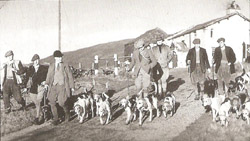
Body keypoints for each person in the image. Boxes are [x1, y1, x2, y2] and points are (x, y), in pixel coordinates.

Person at [127, 39, 158, 114]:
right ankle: (140, 105)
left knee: (145, 88)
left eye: (141, 47)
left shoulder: (148, 51)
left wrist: (149, 66)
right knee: (138, 88)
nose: (140, 49)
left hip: (146, 72)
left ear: (144, 46)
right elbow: (133, 62)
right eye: (139, 48)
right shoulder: (135, 52)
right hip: (137, 72)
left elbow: (155, 62)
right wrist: (129, 67)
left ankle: (146, 104)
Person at [44, 50, 74, 125]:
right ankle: (56, 118)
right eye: (58, 57)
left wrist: (72, 86)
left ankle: (67, 113)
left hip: (62, 86)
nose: (60, 59)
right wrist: (46, 84)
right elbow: (48, 76)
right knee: (52, 102)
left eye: (61, 57)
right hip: (53, 86)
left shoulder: (65, 65)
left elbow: (70, 76)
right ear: (55, 58)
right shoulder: (51, 66)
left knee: (62, 102)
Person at [25, 54, 48, 125]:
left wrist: (46, 82)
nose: (36, 62)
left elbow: (47, 77)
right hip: (33, 88)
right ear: (33, 61)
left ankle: (38, 117)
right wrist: (25, 87)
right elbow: (27, 78)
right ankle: (42, 115)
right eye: (34, 60)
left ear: (39, 60)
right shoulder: (30, 69)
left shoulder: (43, 68)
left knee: (38, 101)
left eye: (37, 60)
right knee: (37, 103)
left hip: (41, 87)